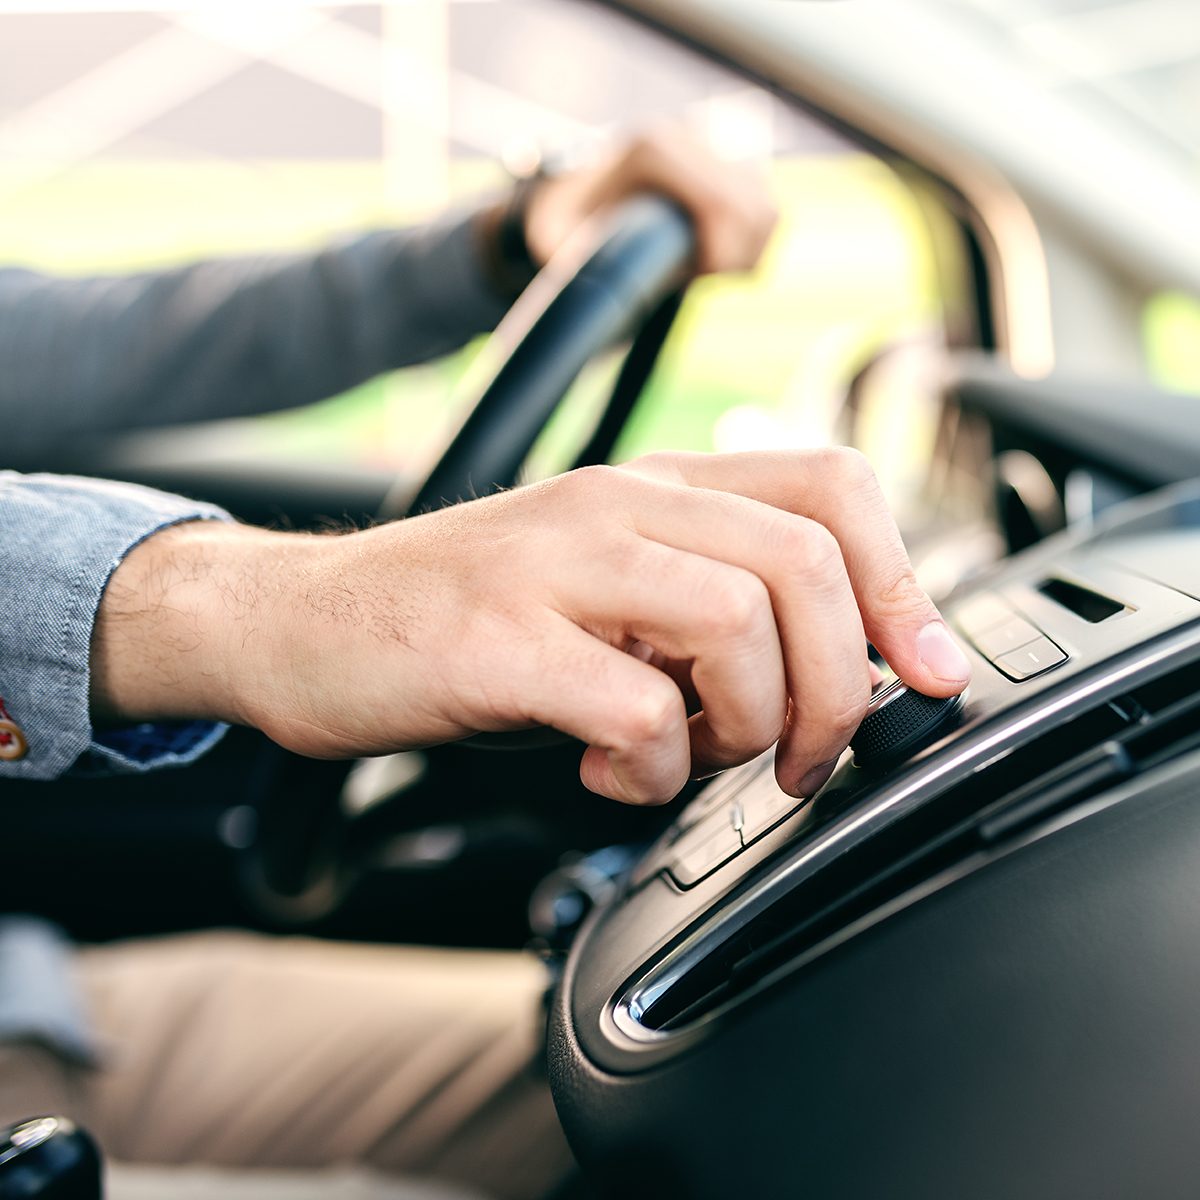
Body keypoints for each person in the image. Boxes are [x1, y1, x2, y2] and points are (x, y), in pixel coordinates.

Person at [0, 130, 971, 1199]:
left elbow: (105, 341)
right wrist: (262, 608)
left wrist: (504, 242)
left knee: (737, 1077)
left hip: (32, 1000)